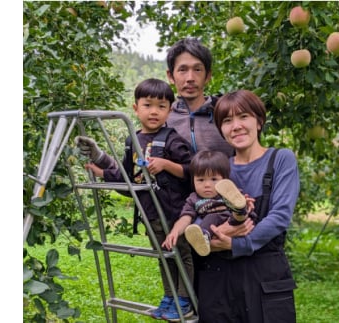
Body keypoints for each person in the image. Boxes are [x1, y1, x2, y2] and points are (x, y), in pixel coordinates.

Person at [75, 78, 195, 321]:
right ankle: (170, 295)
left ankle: (185, 298)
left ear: (169, 110)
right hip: (150, 212)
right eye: (148, 105)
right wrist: (102, 172)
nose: (154, 111)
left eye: (161, 106)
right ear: (135, 108)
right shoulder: (133, 140)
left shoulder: (171, 139)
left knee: (181, 254)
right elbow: (129, 178)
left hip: (174, 212)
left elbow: (190, 171)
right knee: (164, 256)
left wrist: (166, 164)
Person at [193, 89, 301, 323]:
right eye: (228, 121)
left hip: (264, 276)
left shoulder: (280, 159)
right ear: (221, 129)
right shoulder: (219, 169)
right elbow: (198, 207)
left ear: (259, 121)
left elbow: (280, 216)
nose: (236, 126)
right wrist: (212, 240)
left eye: (244, 117)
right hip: (218, 277)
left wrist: (236, 243)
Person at [162, 150, 257, 257]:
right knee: (210, 219)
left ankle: (240, 209)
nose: (207, 185)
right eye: (201, 180)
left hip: (237, 221)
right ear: (193, 180)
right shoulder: (194, 199)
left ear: (224, 179)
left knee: (240, 209)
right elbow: (185, 218)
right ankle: (202, 240)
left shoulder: (229, 192)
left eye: (214, 179)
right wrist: (175, 232)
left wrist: (247, 203)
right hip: (214, 227)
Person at [165, 37, 234, 158]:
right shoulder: (162, 118)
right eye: (182, 70)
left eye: (197, 69)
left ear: (207, 76)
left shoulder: (225, 113)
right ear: (170, 76)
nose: (190, 78)